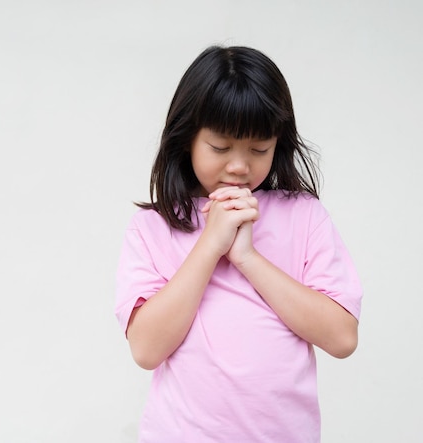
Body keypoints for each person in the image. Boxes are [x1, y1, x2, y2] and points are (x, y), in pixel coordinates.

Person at [114, 45, 363, 443]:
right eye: (221, 147)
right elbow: (146, 350)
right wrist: (210, 244)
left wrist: (246, 257)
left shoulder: (304, 216)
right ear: (187, 139)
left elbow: (342, 338)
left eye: (258, 149)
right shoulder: (152, 228)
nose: (239, 166)